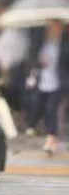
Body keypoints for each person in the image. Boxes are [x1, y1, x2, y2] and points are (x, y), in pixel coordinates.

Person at [26, 20, 69, 155]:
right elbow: (31, 59)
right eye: (51, 28)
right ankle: (40, 130)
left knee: (52, 109)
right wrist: (40, 62)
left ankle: (51, 139)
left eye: (57, 28)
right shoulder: (40, 43)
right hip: (41, 82)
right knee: (39, 106)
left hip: (58, 83)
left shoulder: (64, 44)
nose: (54, 31)